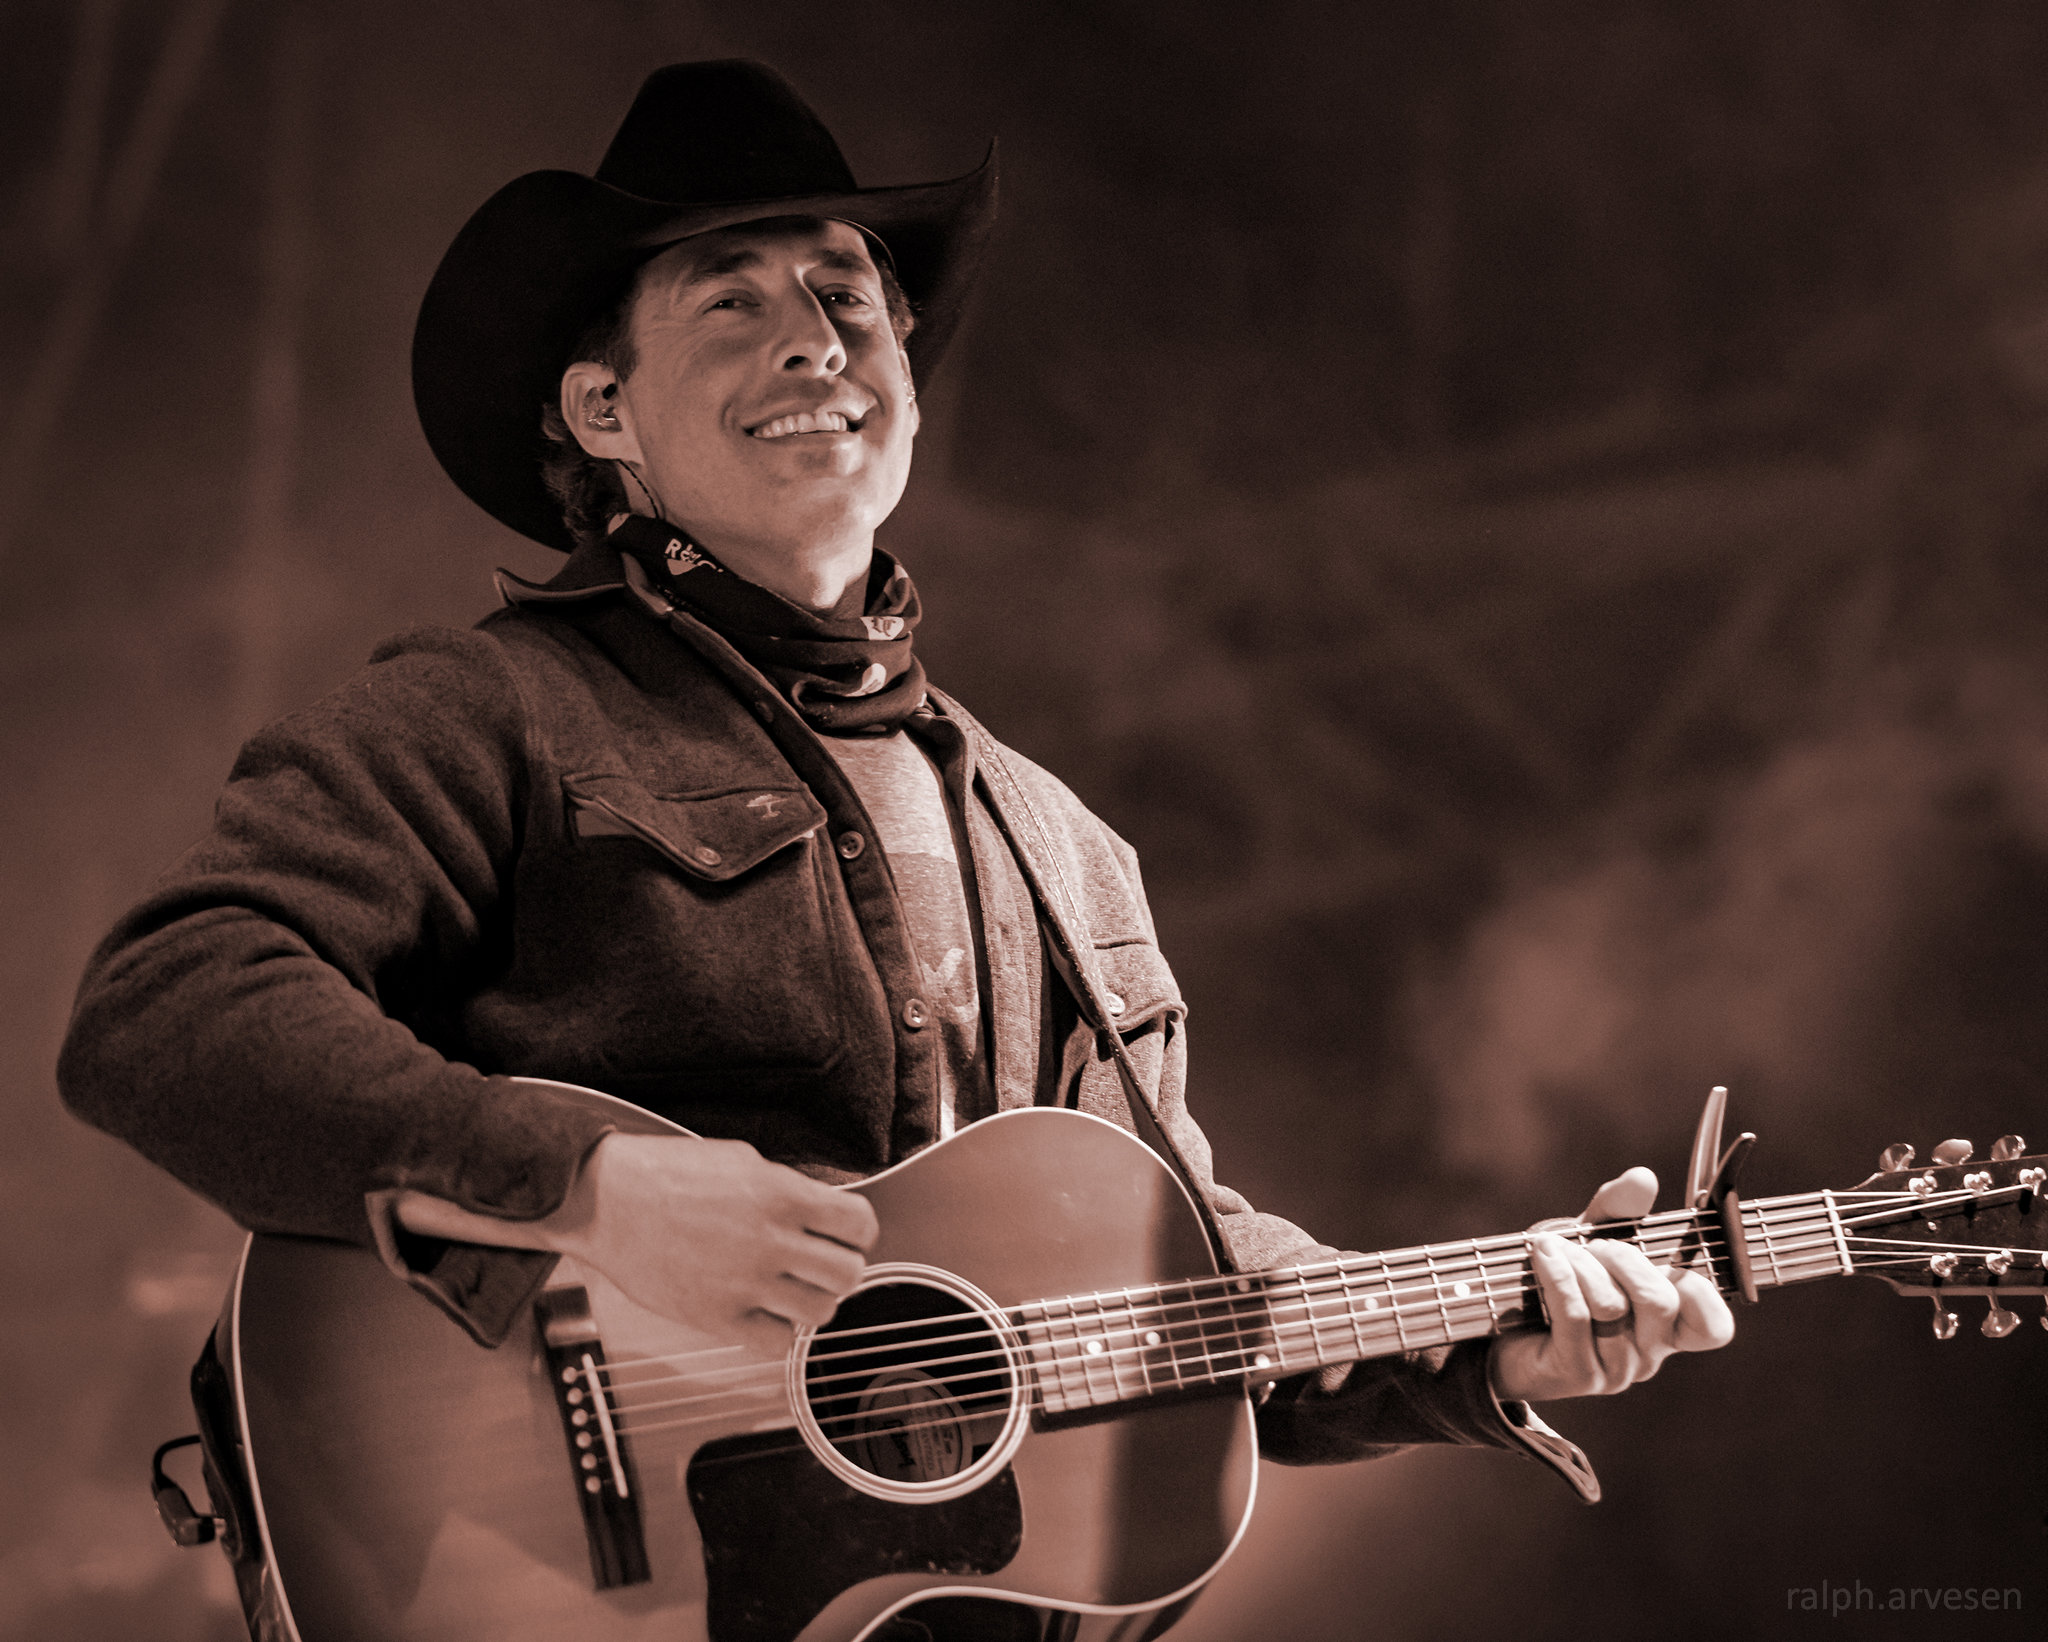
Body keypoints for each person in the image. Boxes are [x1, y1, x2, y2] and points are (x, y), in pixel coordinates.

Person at [57, 60, 1731, 1641]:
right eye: (733, 298)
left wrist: (1488, 1343)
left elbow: (1170, 1305)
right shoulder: (487, 712)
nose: (814, 341)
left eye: (850, 299)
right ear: (602, 408)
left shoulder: (1068, 851)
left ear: (906, 378)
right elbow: (166, 1010)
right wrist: (582, 1192)